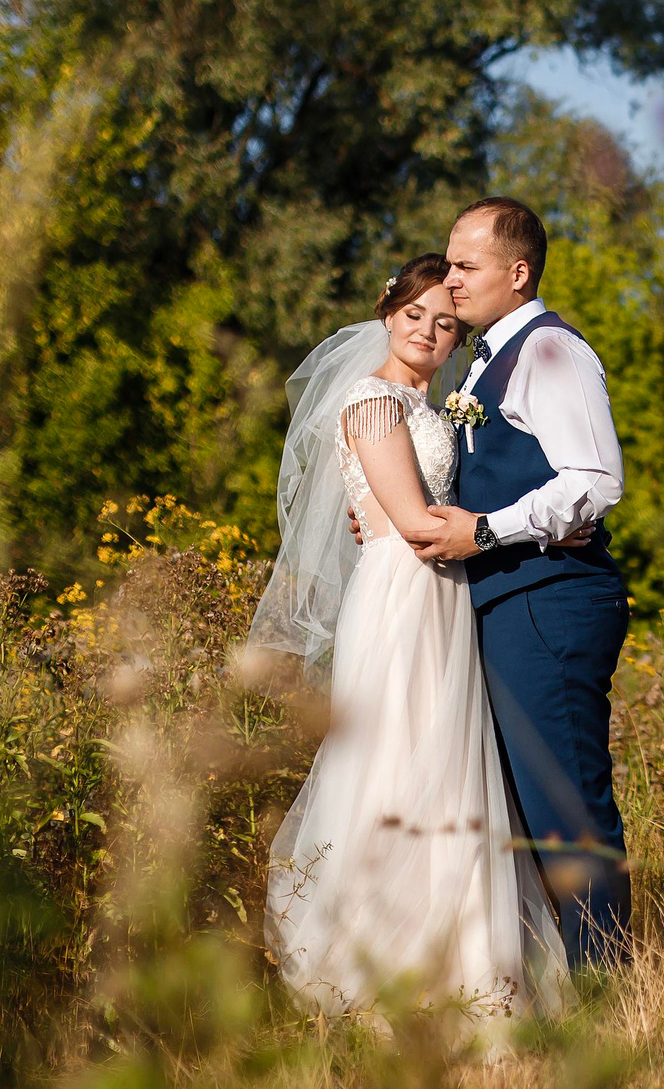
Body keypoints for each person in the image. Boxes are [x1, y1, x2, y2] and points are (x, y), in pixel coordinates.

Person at [253, 255, 569, 1019]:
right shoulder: (370, 400)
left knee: (449, 771)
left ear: (458, 336)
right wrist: (540, 527)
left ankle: (464, 968)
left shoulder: (434, 405)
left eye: (446, 322)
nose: (428, 331)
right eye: (415, 315)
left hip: (443, 593)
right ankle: (381, 968)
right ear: (387, 313)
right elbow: (416, 522)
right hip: (404, 595)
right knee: (399, 766)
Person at [399, 197, 634, 970]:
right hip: (509, 600)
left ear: (518, 271)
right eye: (450, 263)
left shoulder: (549, 350)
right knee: (525, 813)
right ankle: (550, 982)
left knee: (565, 812)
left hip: (550, 600)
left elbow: (595, 479)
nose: (451, 279)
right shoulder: (487, 358)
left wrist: (486, 530)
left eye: (466, 265)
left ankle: (604, 991)